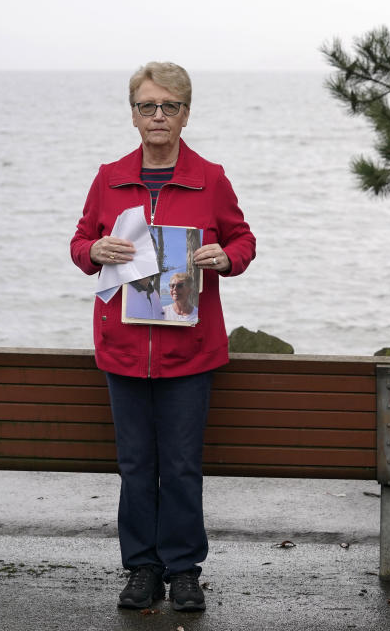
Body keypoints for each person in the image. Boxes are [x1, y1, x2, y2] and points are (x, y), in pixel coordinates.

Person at [70, 61, 256, 612]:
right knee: (135, 466)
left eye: (169, 107)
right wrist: (94, 251)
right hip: (123, 347)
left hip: (189, 349)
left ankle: (184, 572)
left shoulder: (211, 177)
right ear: (132, 115)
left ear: (185, 114)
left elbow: (243, 240)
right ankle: (142, 569)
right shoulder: (109, 176)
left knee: (179, 464)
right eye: (147, 106)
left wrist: (226, 257)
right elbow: (81, 244)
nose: (158, 116)